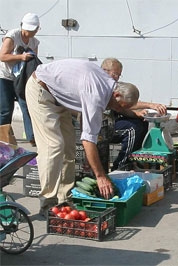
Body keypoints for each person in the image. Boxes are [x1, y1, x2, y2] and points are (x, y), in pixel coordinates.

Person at [25, 59, 140, 216]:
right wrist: (100, 176)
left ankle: (65, 197)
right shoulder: (97, 97)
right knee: (53, 146)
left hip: (59, 97)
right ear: (117, 94)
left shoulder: (109, 85)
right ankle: (48, 202)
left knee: (69, 149)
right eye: (120, 107)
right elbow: (88, 140)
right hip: (41, 90)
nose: (119, 110)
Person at [101, 58, 167, 170]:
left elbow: (123, 105)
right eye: (115, 74)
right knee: (132, 129)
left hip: (112, 120)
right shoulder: (101, 87)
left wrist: (139, 113)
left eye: (119, 75)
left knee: (142, 122)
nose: (117, 78)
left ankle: (134, 159)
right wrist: (147, 107)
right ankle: (121, 165)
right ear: (104, 70)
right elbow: (122, 105)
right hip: (103, 126)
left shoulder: (113, 86)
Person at [0, 13, 40, 146]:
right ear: (23, 27)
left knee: (27, 106)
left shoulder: (34, 42)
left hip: (21, 78)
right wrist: (21, 57)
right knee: (6, 109)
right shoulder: (12, 36)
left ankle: (32, 137)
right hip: (5, 76)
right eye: (29, 30)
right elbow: (3, 56)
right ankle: (3, 138)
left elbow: (33, 63)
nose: (31, 33)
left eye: (34, 30)